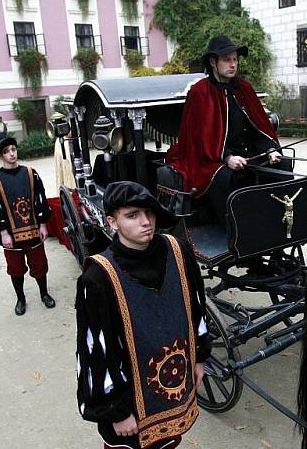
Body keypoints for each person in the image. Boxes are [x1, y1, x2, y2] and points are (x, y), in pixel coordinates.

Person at [76, 181, 210, 449]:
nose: (145, 222)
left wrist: (199, 357)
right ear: (112, 222)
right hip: (129, 405)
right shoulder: (98, 277)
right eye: (132, 215)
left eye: (148, 212)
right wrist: (117, 411)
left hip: (173, 385)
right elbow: (96, 351)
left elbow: (196, 308)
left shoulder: (177, 250)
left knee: (169, 443)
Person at [165, 35, 289, 225]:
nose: (233, 65)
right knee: (224, 176)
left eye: (235, 60)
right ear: (213, 62)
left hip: (249, 154)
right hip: (210, 159)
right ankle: (235, 229)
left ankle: (275, 222)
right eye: (227, 60)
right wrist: (227, 157)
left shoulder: (244, 88)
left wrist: (270, 149)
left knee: (283, 166)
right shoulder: (200, 92)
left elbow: (259, 125)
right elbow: (199, 138)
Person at [0, 137, 55, 315]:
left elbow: (40, 199)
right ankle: (21, 298)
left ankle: (44, 294)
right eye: (7, 151)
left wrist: (43, 224)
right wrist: (3, 232)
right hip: (10, 234)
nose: (12, 153)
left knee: (39, 264)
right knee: (15, 268)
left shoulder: (31, 173)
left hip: (33, 229)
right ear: (1, 155)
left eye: (13, 149)